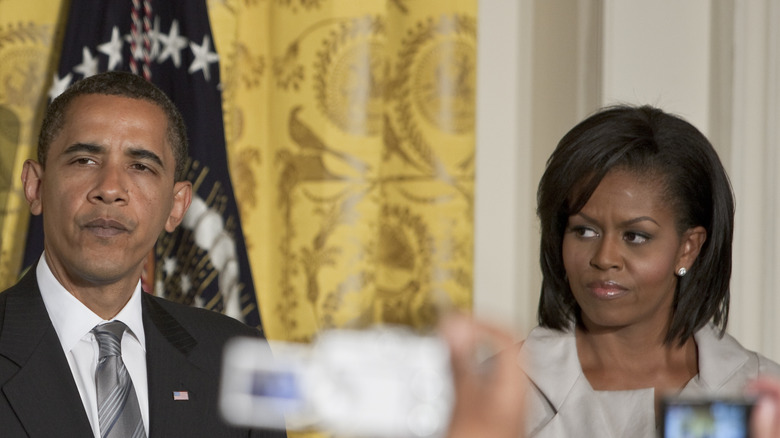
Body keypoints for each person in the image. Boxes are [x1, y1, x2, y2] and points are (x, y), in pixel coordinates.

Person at [0, 71, 285, 437]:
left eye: (141, 166)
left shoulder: (239, 358)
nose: (110, 189)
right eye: (85, 160)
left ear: (177, 206)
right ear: (36, 187)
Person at [519, 104, 780, 437]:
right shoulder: (499, 390)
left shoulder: (761, 397)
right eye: (584, 231)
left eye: (635, 236)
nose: (605, 258)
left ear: (688, 247)